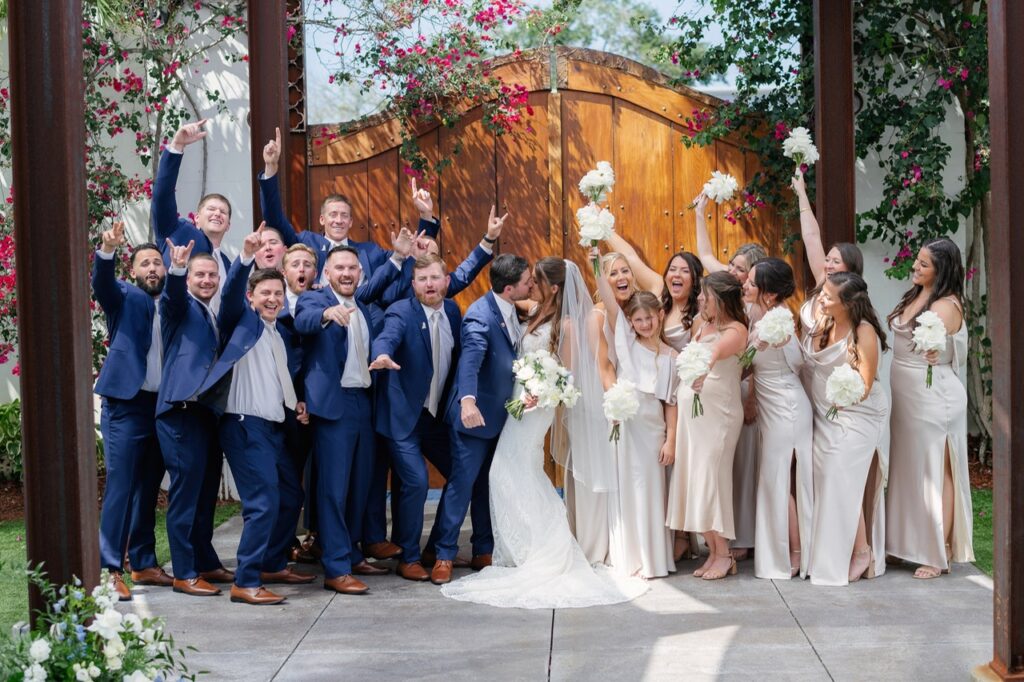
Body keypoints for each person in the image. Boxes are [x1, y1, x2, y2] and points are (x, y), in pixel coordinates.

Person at [440, 258, 647, 608]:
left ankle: (543, 546)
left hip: (539, 405)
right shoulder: (536, 308)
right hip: (520, 403)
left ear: (553, 287)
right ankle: (527, 545)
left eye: (535, 280)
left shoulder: (567, 322)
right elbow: (503, 296)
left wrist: (541, 392)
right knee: (514, 471)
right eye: (528, 280)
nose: (530, 285)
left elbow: (567, 374)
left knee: (507, 469)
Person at [196, 227, 316, 604]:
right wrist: (246, 258)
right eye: (265, 293)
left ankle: (271, 562)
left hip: (272, 427)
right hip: (244, 426)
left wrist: (294, 402)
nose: (272, 299)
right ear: (252, 297)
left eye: (278, 294)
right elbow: (229, 295)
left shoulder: (275, 331)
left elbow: (279, 375)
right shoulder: (241, 321)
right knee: (262, 501)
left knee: (290, 494)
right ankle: (245, 581)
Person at [293, 236, 410, 595]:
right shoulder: (315, 300)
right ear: (326, 273)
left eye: (351, 269)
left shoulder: (363, 304)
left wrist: (400, 256)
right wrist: (327, 314)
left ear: (360, 273)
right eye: (339, 268)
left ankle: (354, 552)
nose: (346, 274)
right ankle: (337, 568)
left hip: (364, 403)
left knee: (361, 486)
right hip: (334, 408)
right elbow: (304, 320)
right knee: (334, 491)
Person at [429, 254, 535, 585]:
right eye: (527, 281)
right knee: (461, 486)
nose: (531, 284)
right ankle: (443, 554)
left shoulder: (511, 311)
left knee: (485, 486)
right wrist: (468, 401)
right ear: (509, 288)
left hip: (501, 417)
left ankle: (483, 550)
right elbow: (470, 362)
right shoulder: (479, 316)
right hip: (473, 419)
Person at [368, 253, 465, 582]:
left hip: (436, 418)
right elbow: (388, 336)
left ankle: (435, 546)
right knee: (416, 481)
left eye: (435, 278)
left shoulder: (452, 310)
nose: (429, 285)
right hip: (402, 418)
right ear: (413, 285)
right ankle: (407, 556)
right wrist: (381, 353)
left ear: (446, 281)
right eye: (422, 280)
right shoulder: (401, 312)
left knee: (461, 473)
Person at [91, 222, 173, 600]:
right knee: (122, 486)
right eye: (145, 264)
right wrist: (107, 250)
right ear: (134, 272)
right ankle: (110, 568)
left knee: (147, 488)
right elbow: (102, 286)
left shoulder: (175, 303)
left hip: (161, 407)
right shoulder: (124, 297)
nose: (153, 269)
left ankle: (142, 562)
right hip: (126, 405)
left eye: (158, 262)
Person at [885, 238, 974, 578]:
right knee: (909, 470)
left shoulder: (945, 305)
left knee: (937, 470)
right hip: (907, 398)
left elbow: (943, 347)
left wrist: (941, 350)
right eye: (917, 261)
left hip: (933, 396)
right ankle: (904, 542)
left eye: (923, 264)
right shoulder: (916, 294)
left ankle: (938, 553)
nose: (915, 267)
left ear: (942, 269)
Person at [258, 126, 438, 284]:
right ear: (322, 219)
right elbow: (274, 218)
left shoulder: (370, 252)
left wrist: (426, 216)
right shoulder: (306, 242)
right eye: (333, 214)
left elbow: (410, 257)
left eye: (344, 216)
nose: (339, 220)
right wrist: (271, 166)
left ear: (351, 222)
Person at [155, 241, 233, 596]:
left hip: (205, 414)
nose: (206, 279)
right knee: (186, 495)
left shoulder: (210, 313)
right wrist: (175, 268)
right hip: (180, 412)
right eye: (199, 274)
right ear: (188, 279)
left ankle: (204, 560)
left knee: (205, 495)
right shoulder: (179, 307)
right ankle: (184, 573)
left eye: (211, 275)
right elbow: (170, 297)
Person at [802, 272, 889, 586]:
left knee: (840, 471)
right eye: (823, 293)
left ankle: (861, 551)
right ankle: (852, 548)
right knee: (829, 475)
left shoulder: (864, 331)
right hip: (828, 413)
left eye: (828, 296)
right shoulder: (824, 322)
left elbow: (864, 387)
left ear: (848, 303)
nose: (821, 299)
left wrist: (838, 399)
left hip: (860, 412)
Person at [595, 257, 678, 579]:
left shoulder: (671, 357)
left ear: (660, 317)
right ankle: (629, 556)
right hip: (626, 424)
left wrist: (671, 439)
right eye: (637, 320)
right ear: (630, 324)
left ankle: (654, 558)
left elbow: (671, 403)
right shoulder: (627, 343)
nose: (644, 324)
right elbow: (611, 306)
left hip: (653, 429)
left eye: (649, 319)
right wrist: (595, 269)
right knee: (627, 488)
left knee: (652, 491)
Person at [693, 192, 764, 562]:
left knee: (743, 466)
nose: (734, 272)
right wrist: (701, 214)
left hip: (743, 387)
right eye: (733, 266)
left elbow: (755, 359)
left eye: (741, 268)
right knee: (724, 469)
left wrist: (750, 396)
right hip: (721, 386)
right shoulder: (724, 297)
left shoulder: (751, 307)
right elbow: (705, 258)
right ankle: (724, 542)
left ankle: (743, 539)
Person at [667, 271, 749, 581]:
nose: (700, 298)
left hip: (719, 416)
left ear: (722, 300)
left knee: (711, 480)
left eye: (706, 295)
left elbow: (713, 355)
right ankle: (712, 550)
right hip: (695, 418)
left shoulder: (736, 330)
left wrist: (701, 371)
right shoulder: (703, 325)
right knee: (695, 480)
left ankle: (724, 554)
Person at [742, 258, 813, 580]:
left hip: (786, 409)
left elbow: (745, 364)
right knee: (778, 481)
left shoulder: (777, 325)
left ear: (769, 295)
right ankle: (792, 550)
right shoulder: (771, 317)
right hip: (777, 408)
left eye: (752, 282)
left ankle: (795, 553)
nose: (745, 284)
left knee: (779, 482)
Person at [153, 120, 241, 313]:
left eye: (223, 211)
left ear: (228, 225)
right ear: (196, 218)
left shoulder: (228, 263)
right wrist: (177, 147)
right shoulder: (176, 231)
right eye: (211, 209)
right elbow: (162, 195)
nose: (217, 213)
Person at [791, 171, 864, 336]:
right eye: (827, 259)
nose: (828, 265)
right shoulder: (822, 280)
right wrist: (801, 192)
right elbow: (811, 237)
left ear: (851, 267)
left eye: (836, 261)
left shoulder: (853, 299)